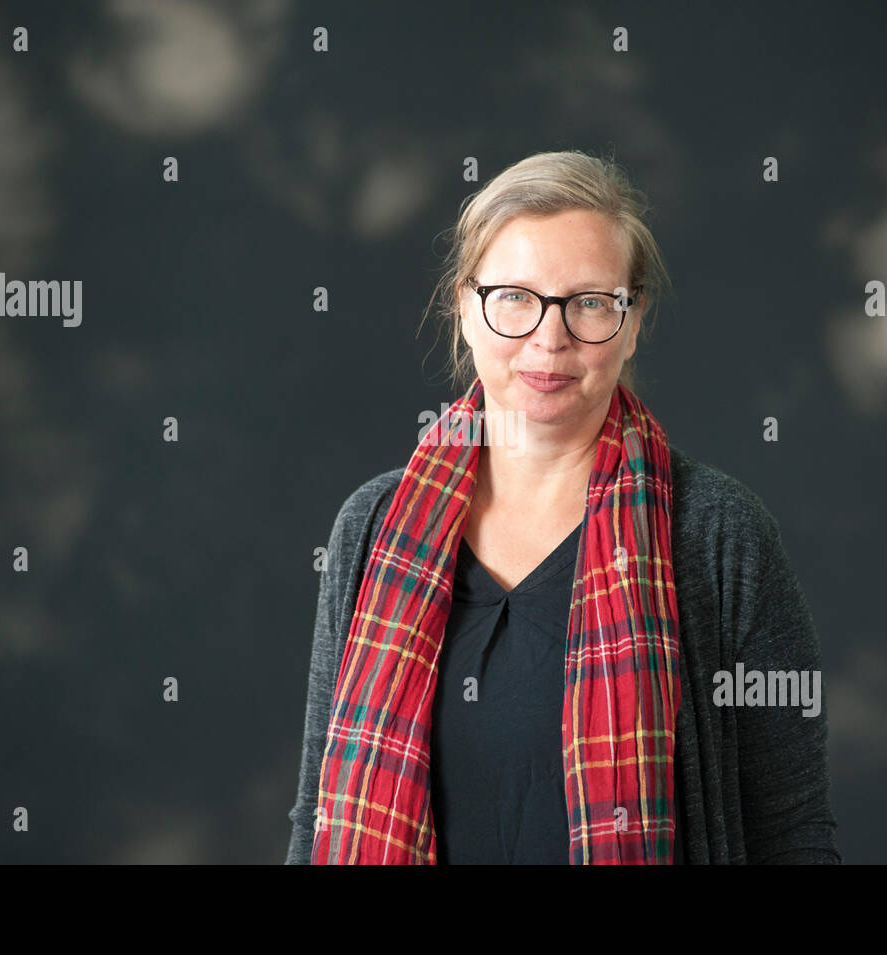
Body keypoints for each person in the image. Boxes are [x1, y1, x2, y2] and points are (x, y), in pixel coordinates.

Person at [286, 149, 840, 864]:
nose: (550, 339)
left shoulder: (717, 533)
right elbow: (318, 817)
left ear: (633, 319)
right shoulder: (372, 527)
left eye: (588, 302)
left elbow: (791, 830)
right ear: (463, 305)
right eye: (514, 296)